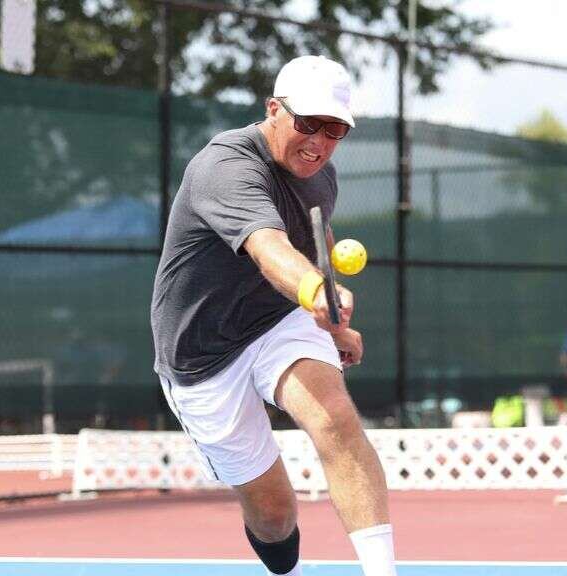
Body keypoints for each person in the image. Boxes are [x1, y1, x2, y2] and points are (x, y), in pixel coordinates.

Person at [150, 56, 395, 576]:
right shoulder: (225, 167)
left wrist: (334, 318)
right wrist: (314, 292)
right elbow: (268, 247)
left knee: (335, 416)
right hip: (200, 357)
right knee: (274, 513)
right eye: (308, 124)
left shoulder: (320, 176)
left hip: (277, 323)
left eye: (335, 130)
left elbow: (315, 237)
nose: (319, 142)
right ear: (273, 110)